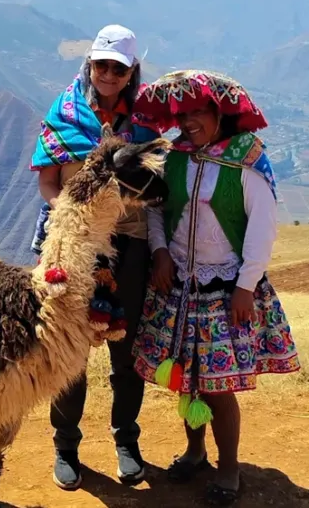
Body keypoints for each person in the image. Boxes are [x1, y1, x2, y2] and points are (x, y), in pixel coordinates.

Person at [132, 70, 300, 505]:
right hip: (179, 283)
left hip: (224, 287)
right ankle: (194, 450)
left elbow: (262, 227)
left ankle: (229, 469)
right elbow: (155, 208)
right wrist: (160, 252)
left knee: (218, 386)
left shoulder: (246, 160)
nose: (188, 121)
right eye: (182, 113)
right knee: (187, 378)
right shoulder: (174, 157)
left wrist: (246, 285)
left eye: (197, 112)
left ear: (219, 113)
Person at [29, 25, 160, 490]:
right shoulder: (65, 112)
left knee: (127, 349)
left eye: (117, 68)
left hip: (130, 242)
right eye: (101, 65)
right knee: (70, 349)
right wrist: (68, 212)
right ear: (91, 64)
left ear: (130, 73)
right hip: (76, 244)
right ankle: (65, 445)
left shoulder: (144, 123)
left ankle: (126, 439)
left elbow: (154, 192)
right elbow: (48, 181)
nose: (108, 74)